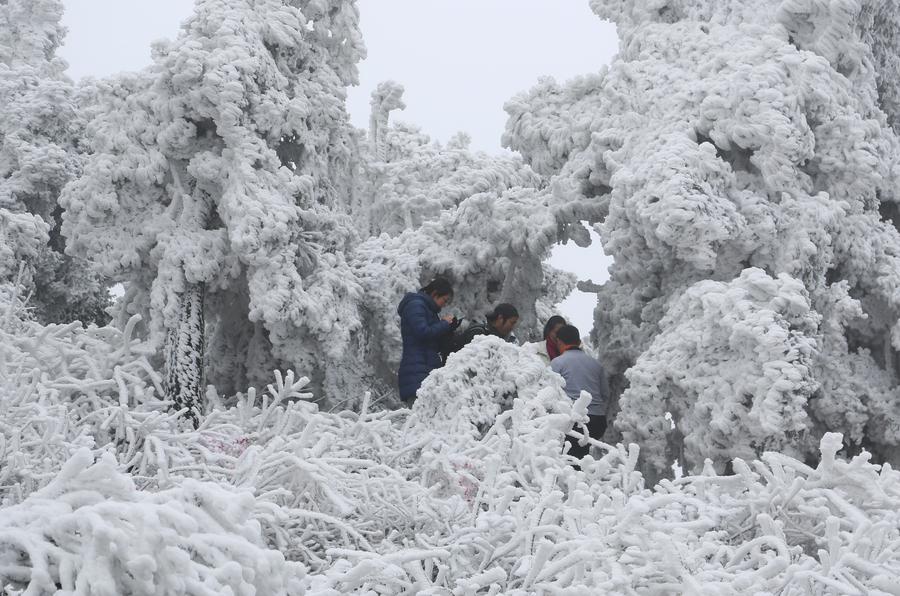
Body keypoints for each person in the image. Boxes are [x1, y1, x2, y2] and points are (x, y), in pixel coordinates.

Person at [550, 324, 610, 463]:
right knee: (584, 458)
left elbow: (551, 391)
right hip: (598, 421)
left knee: (570, 461)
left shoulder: (557, 363)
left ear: (559, 342)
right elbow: (605, 394)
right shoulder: (596, 364)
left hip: (574, 421)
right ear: (578, 342)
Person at [397, 278, 460, 405]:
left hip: (425, 369)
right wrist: (444, 324)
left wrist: (449, 329)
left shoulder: (428, 309)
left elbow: (432, 341)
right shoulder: (416, 305)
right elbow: (422, 332)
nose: (444, 305)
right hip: (417, 372)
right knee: (418, 415)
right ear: (435, 294)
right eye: (444, 300)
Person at [454, 303, 519, 351]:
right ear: (500, 318)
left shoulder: (507, 339)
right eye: (512, 323)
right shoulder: (477, 334)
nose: (513, 327)